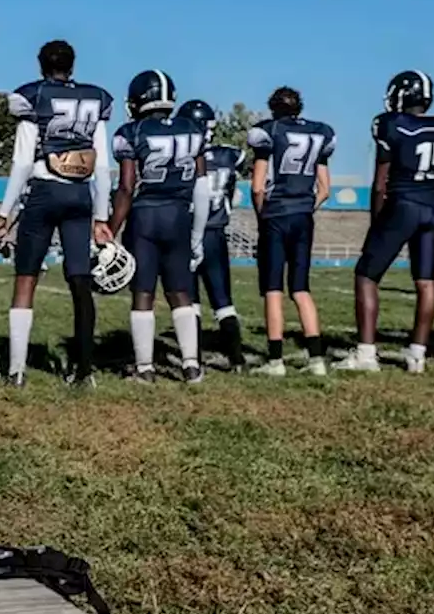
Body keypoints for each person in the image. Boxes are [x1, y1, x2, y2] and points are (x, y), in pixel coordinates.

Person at [0, 40, 114, 388]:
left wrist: (5, 212)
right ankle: (84, 371)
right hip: (79, 196)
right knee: (80, 282)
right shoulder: (96, 98)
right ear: (72, 65)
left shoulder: (34, 97)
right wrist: (101, 217)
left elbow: (22, 163)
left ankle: (16, 371)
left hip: (44, 193)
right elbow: (103, 167)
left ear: (40, 65)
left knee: (26, 278)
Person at [338, 70, 434, 374]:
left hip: (404, 204)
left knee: (366, 276)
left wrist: (375, 223)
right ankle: (417, 355)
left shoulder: (391, 125)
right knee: (425, 282)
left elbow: (381, 183)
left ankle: (367, 354)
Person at [107, 70, 209, 384]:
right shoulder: (193, 129)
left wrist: (110, 229)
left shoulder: (131, 132)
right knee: (181, 292)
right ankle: (191, 366)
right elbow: (202, 187)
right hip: (179, 216)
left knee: (143, 293)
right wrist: (197, 235)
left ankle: (145, 368)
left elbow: (126, 188)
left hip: (145, 218)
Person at [247, 86, 334, 376]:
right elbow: (325, 189)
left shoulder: (268, 131)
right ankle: (317, 360)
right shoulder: (319, 132)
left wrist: (263, 214)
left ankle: (275, 361)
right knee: (300, 288)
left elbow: (258, 186)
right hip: (302, 215)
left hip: (276, 214)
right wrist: (306, 208)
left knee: (273, 289)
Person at [178, 99, 246, 371]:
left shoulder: (181, 155)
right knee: (223, 302)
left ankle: (193, 359)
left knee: (190, 300)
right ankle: (237, 359)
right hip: (216, 233)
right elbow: (235, 194)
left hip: (188, 232)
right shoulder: (229, 155)